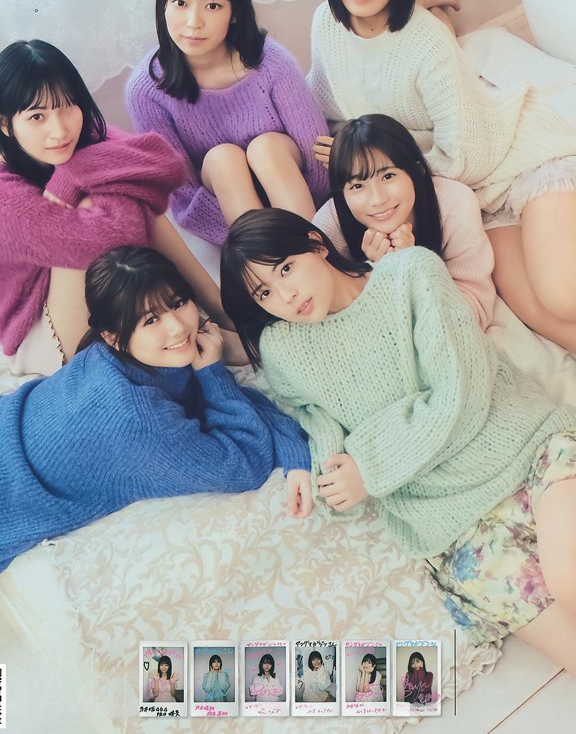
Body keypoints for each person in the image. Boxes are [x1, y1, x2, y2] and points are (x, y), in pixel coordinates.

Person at [220, 208, 576, 676]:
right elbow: (320, 427)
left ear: (317, 243)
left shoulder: (410, 273)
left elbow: (461, 389)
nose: (285, 295)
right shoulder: (282, 350)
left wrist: (371, 463)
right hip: (449, 524)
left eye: (286, 267)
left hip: (526, 447)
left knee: (569, 580)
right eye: (263, 292)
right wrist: (331, 478)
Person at [0, 245, 312, 577]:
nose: (178, 328)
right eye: (151, 320)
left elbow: (236, 403)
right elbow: (245, 463)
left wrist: (293, 448)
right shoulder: (137, 421)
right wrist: (212, 374)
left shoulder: (120, 357)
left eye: (179, 303)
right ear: (113, 336)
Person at [307, 0, 576, 353]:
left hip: (509, 155)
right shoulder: (325, 23)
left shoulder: (427, 44)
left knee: (562, 295)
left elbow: (468, 150)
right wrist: (352, 148)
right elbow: (332, 101)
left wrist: (385, 165)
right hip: (469, 193)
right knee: (532, 310)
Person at [0, 39, 242, 374]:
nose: (59, 129)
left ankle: (220, 310)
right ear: (5, 123)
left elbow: (168, 165)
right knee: (116, 198)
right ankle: (191, 338)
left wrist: (71, 174)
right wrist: (115, 180)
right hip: (41, 332)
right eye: (37, 116)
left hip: (85, 277)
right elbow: (113, 238)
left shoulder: (83, 136)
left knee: (120, 193)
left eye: (67, 107)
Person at [125, 0, 330, 245]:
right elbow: (185, 196)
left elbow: (317, 157)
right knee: (223, 159)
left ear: (235, 12)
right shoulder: (147, 91)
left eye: (212, 5)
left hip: (294, 191)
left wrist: (317, 211)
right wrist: (238, 239)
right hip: (232, 209)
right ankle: (260, 261)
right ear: (163, 6)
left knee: (266, 149)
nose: (193, 23)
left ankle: (317, 251)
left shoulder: (272, 63)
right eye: (180, 3)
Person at [313, 113, 495, 329]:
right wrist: (373, 274)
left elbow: (476, 309)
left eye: (388, 176)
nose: (377, 199)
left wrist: (416, 266)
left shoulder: (454, 203)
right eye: (357, 186)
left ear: (416, 170)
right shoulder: (331, 223)